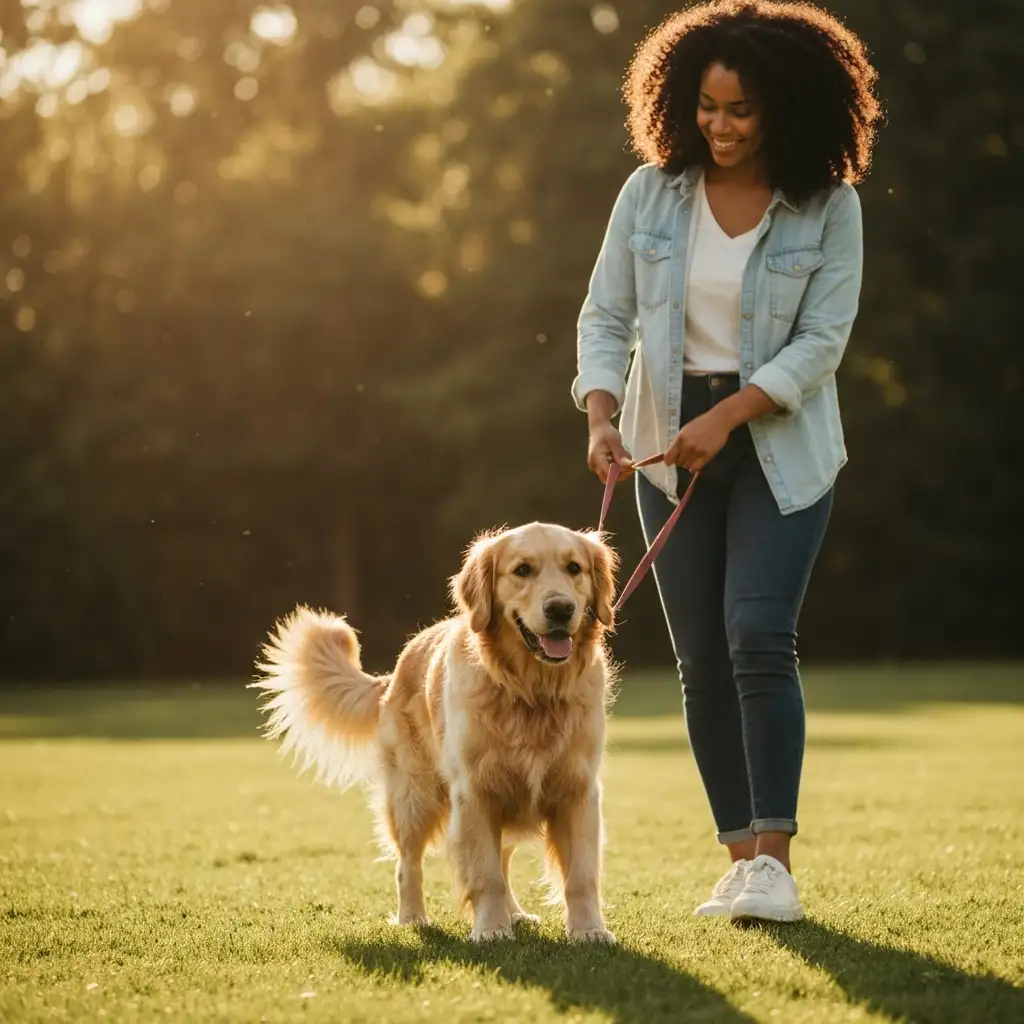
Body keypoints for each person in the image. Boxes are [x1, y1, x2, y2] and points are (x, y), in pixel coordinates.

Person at [572, 0, 882, 923]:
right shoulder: (648, 194)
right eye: (707, 106)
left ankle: (776, 862)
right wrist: (600, 416)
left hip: (780, 447)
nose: (720, 124)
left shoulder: (830, 206)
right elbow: (604, 317)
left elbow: (823, 341)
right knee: (699, 659)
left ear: (785, 107)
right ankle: (739, 858)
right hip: (665, 453)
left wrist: (733, 413)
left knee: (756, 635)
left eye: (741, 109)